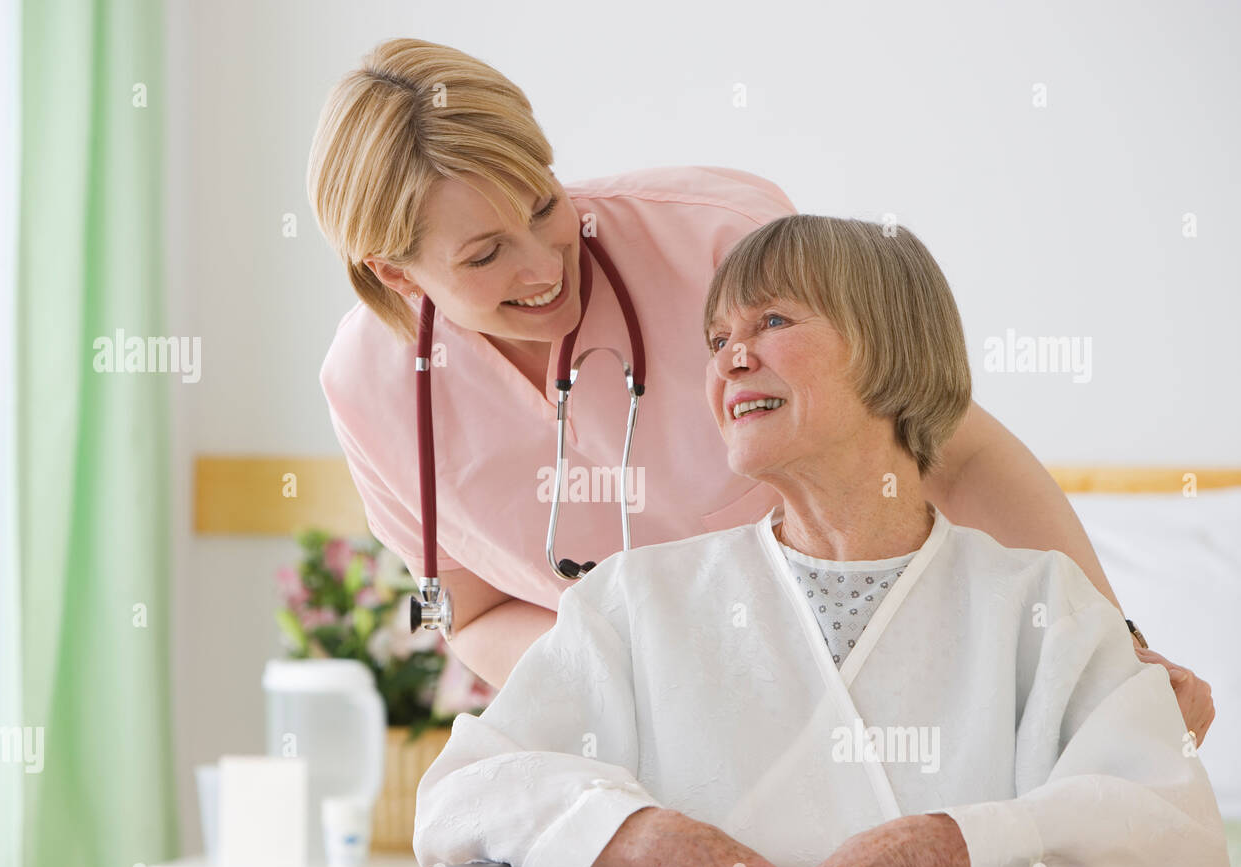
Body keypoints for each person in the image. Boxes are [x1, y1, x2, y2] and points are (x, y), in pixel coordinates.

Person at [307, 37, 1214, 743]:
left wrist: (1117, 651)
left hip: (875, 673)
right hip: (646, 736)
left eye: (543, 205)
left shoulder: (719, 240)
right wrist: (640, 695)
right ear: (397, 274)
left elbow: (951, 446)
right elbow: (473, 612)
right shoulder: (372, 393)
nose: (548, 264)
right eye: (483, 255)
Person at [412, 215, 1229, 867]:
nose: (731, 358)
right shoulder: (635, 600)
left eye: (772, 323)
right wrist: (656, 842)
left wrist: (930, 849)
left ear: (891, 348)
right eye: (717, 338)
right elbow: (461, 799)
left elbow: (1172, 834)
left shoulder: (1041, 606)